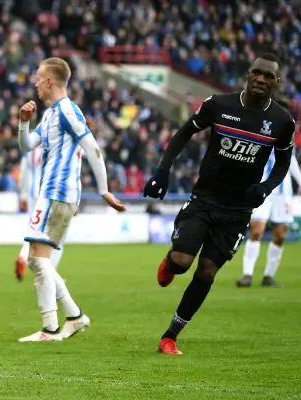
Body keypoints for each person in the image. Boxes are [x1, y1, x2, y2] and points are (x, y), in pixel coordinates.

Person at [143, 53, 296, 355]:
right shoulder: (219, 105)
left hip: (238, 211)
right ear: (248, 74)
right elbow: (185, 132)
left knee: (208, 271)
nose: (261, 79)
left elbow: (283, 163)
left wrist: (265, 188)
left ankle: (170, 336)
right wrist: (163, 170)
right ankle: (170, 263)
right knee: (182, 261)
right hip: (204, 200)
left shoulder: (282, 122)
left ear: (277, 81)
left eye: (268, 76)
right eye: (257, 72)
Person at [16, 57, 126, 342]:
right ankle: (73, 317)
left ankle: (51, 328)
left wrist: (104, 189)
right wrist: (23, 123)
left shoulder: (66, 109)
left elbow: (92, 146)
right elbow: (27, 146)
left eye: (38, 79)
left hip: (59, 192)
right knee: (38, 260)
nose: (35, 84)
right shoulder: (50, 114)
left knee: (38, 260)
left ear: (49, 81)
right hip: (51, 192)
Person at [237, 96, 301, 288]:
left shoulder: (288, 131)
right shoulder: (260, 127)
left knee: (280, 235)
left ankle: (268, 277)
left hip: (283, 192)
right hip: (262, 188)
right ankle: (247, 275)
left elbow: (290, 161)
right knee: (257, 230)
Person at [15, 145, 66, 281]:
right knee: (56, 236)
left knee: (34, 230)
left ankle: (23, 255)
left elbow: (24, 172)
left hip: (33, 195)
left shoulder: (31, 147)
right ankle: (49, 273)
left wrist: (23, 195)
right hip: (50, 195)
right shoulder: (56, 144)